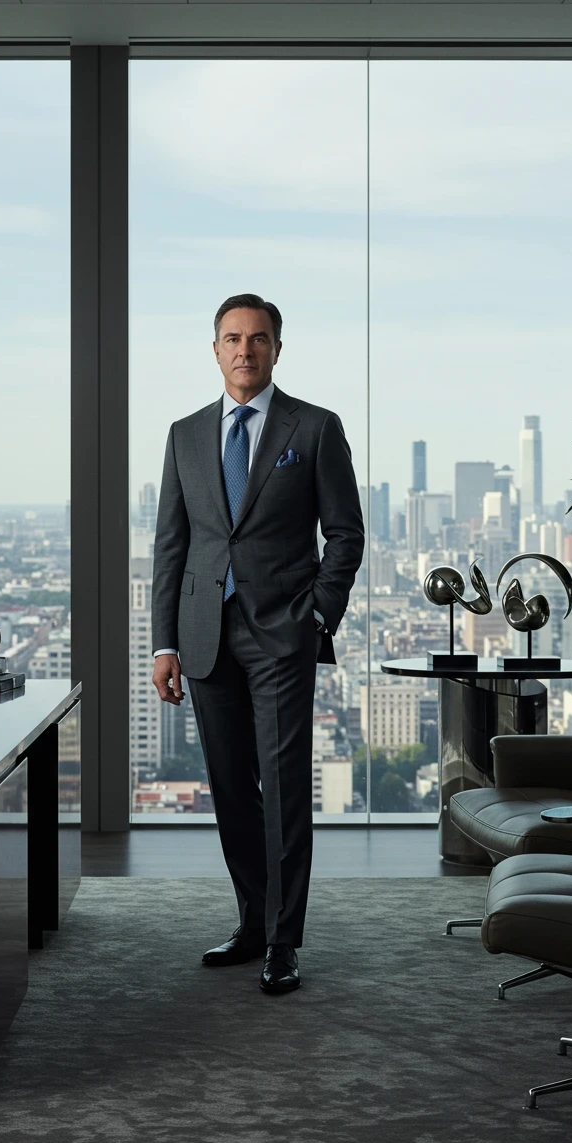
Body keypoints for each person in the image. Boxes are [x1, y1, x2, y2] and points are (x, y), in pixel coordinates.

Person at [151, 293, 364, 994]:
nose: (246, 350)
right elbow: (171, 548)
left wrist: (319, 615)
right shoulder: (184, 435)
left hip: (282, 635)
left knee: (284, 791)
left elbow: (346, 534)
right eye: (233, 339)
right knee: (232, 791)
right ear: (215, 350)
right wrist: (163, 644)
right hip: (204, 636)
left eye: (259, 339)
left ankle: (283, 939)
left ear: (277, 348)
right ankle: (250, 921)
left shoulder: (316, 427)